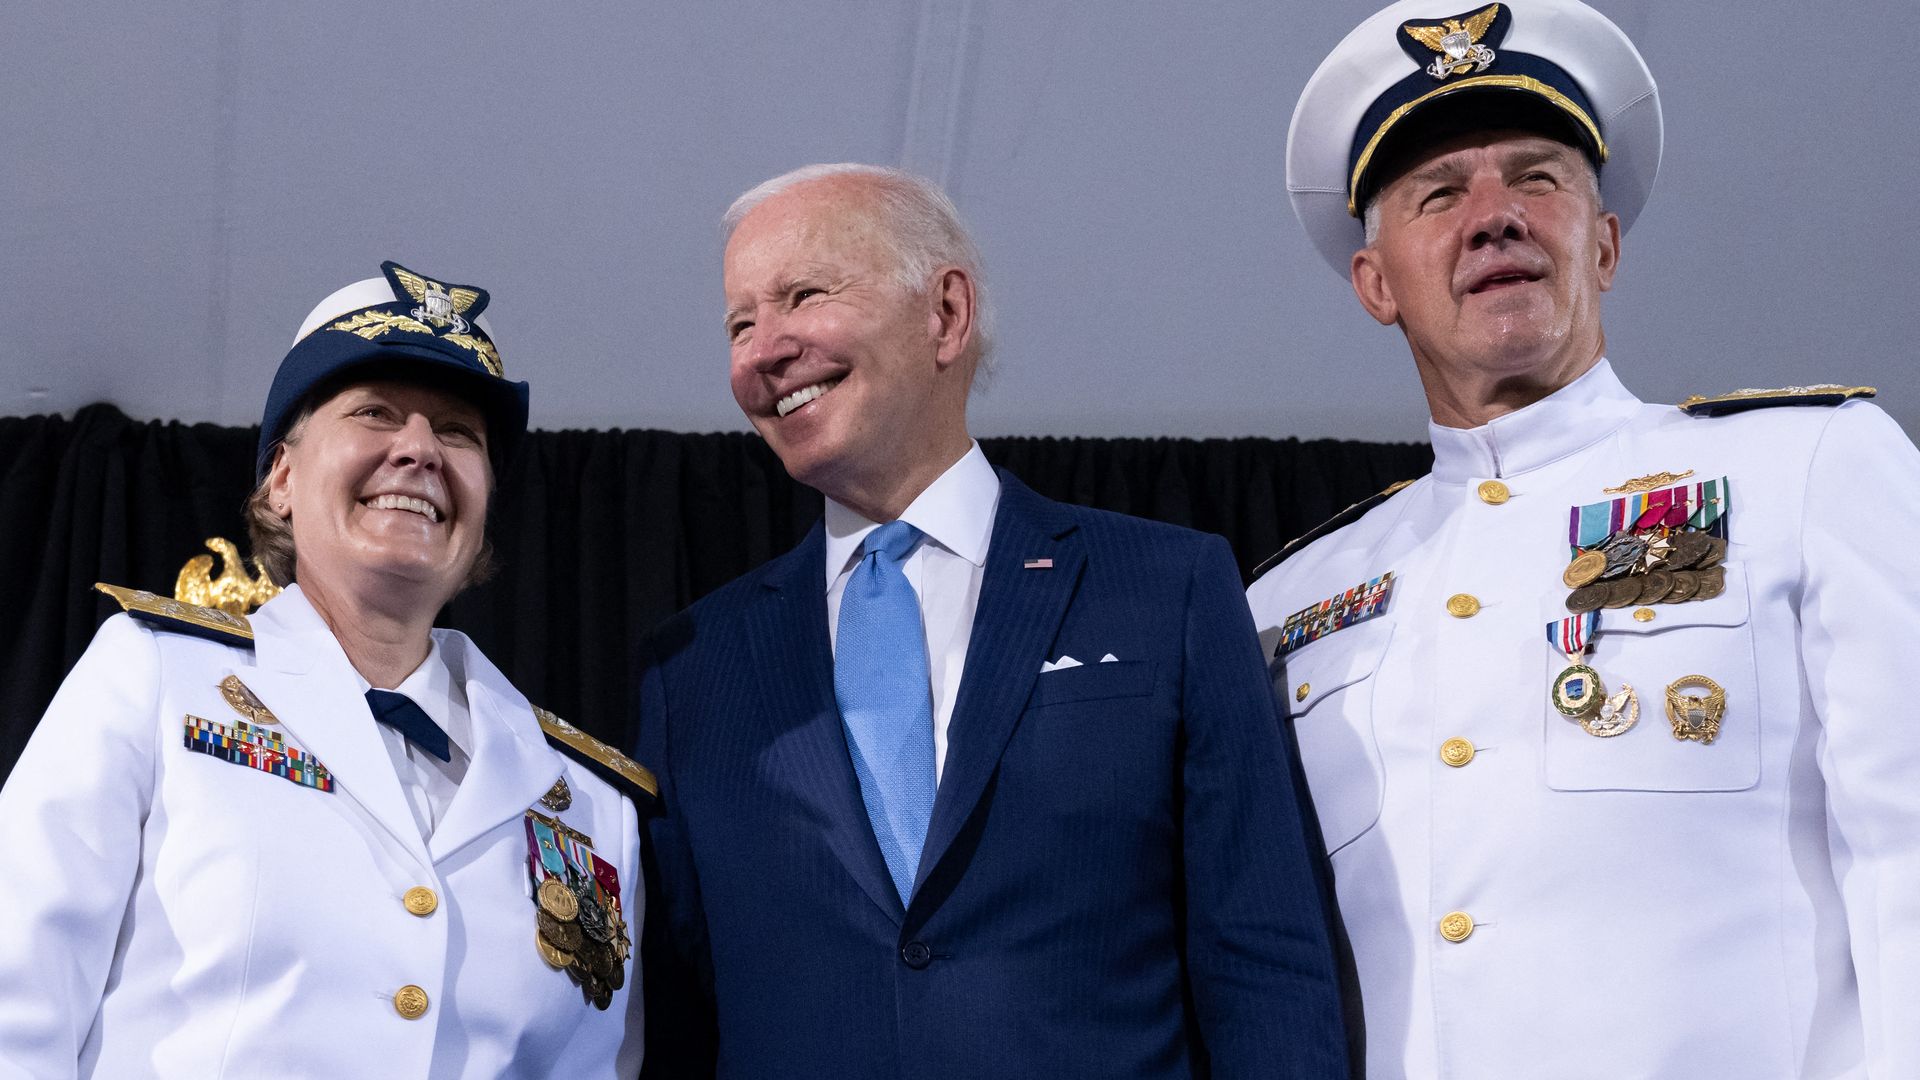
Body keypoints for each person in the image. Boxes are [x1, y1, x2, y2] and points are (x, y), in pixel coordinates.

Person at [1248, 1, 1920, 1075]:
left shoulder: (1809, 469)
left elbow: (1908, 846)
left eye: (1538, 178)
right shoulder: (1284, 607)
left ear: (1602, 245)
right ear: (1378, 285)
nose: (1495, 216)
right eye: (1438, 194)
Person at [637, 164, 1346, 1078]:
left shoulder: (1164, 589)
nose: (762, 352)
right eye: (739, 324)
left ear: (946, 315)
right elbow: (678, 1021)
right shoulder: (693, 666)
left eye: (803, 296)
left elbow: (1264, 961)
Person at [0, 262, 651, 1078]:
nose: (418, 450)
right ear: (280, 480)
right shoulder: (155, 677)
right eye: (375, 413)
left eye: (458, 433)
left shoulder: (591, 803)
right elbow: (17, 1001)